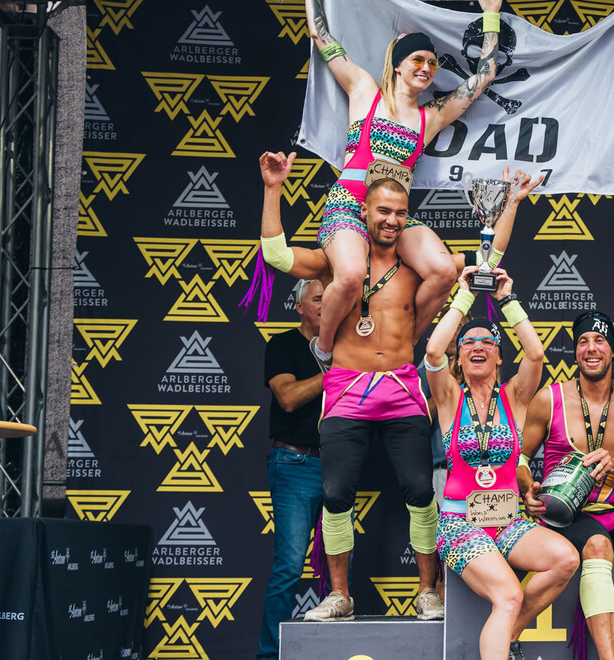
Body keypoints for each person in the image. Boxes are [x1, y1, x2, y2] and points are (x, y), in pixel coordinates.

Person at [258, 150, 442, 622]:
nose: (392, 220)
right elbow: (276, 255)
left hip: (401, 384)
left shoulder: (415, 264)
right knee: (337, 492)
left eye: (401, 213)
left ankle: (427, 592)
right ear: (363, 211)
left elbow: (461, 270)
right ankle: (340, 595)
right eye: (383, 211)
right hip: (346, 386)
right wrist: (273, 188)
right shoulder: (337, 263)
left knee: (421, 489)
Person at [304, 0, 504, 369]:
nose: (426, 68)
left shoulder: (431, 117)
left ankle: (404, 346)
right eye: (417, 60)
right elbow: (320, 33)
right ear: (397, 63)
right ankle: (325, 349)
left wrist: (491, 13)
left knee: (444, 271)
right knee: (349, 276)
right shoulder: (364, 91)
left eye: (432, 63)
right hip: (348, 203)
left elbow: (485, 75)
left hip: (394, 217)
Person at [424, 266, 579, 660]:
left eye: (487, 342)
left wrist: (505, 298)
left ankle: (508, 636)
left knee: (565, 559)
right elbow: (431, 351)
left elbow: (536, 352)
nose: (478, 346)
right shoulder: (449, 398)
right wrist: (463, 296)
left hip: (508, 522)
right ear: (459, 356)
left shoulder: (515, 397)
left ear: (498, 356)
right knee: (508, 594)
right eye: (468, 342)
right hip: (460, 524)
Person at [518, 311, 614, 660]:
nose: (591, 348)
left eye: (599, 341)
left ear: (612, 352)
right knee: (598, 544)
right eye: (583, 342)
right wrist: (527, 488)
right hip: (568, 518)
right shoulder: (549, 397)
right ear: (576, 352)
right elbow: (520, 459)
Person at [257, 279, 325, 660]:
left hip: (337, 466)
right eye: (318, 299)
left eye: (330, 298)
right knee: (289, 566)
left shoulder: (348, 345)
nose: (325, 304)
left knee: (338, 571)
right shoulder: (282, 344)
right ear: (300, 307)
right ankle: (270, 655)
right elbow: (287, 397)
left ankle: (333, 649)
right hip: (294, 463)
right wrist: (334, 373)